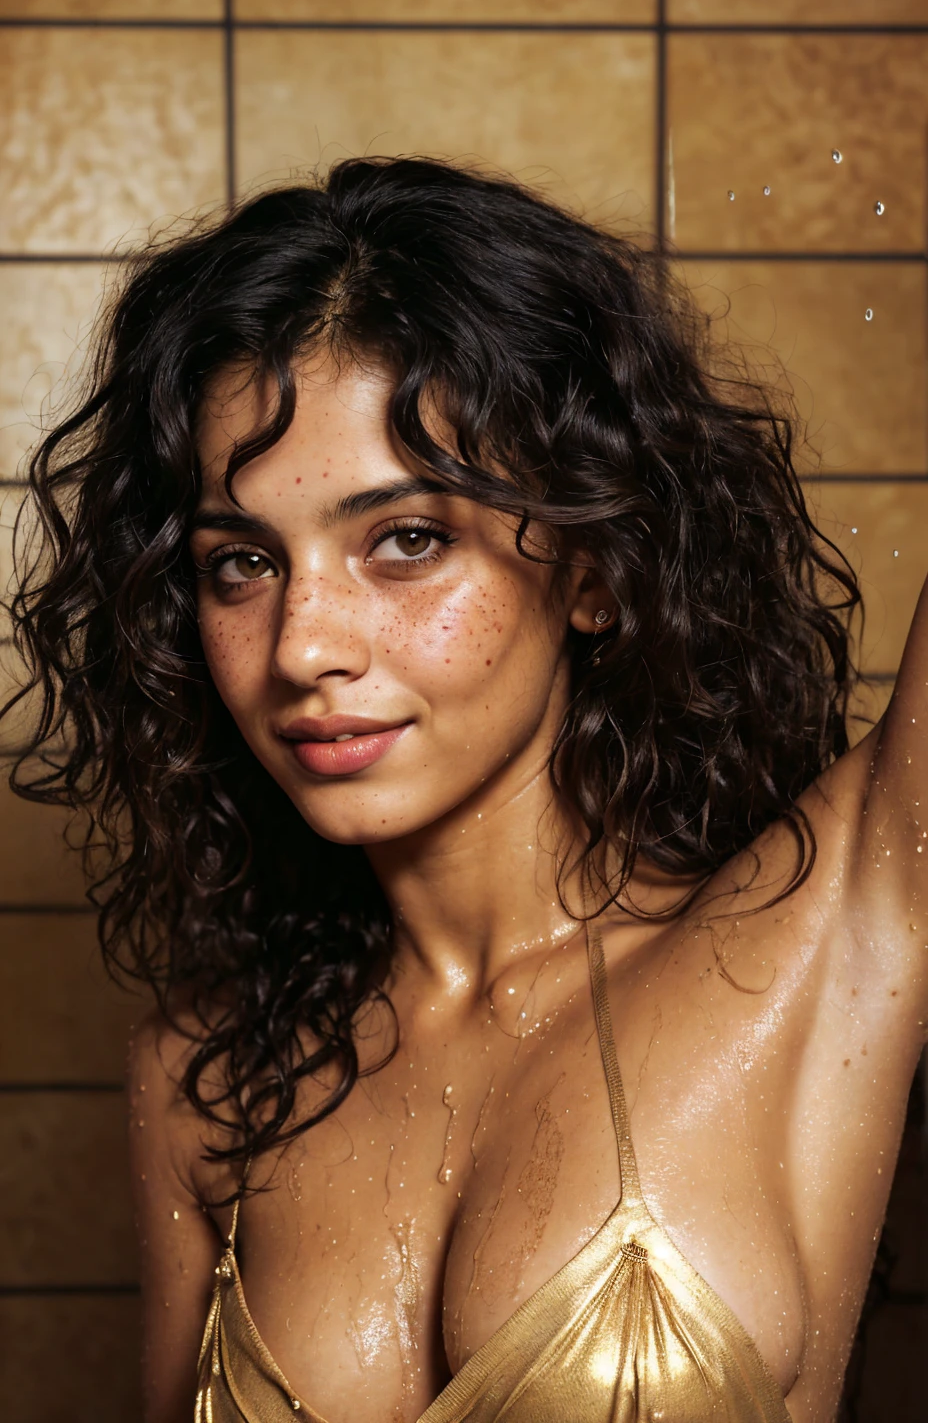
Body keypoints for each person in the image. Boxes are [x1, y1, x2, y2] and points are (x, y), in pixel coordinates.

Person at [6, 158, 926, 1423]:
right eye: (241, 562)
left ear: (597, 570)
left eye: (405, 540)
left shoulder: (826, 935)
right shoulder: (204, 1082)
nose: (302, 645)